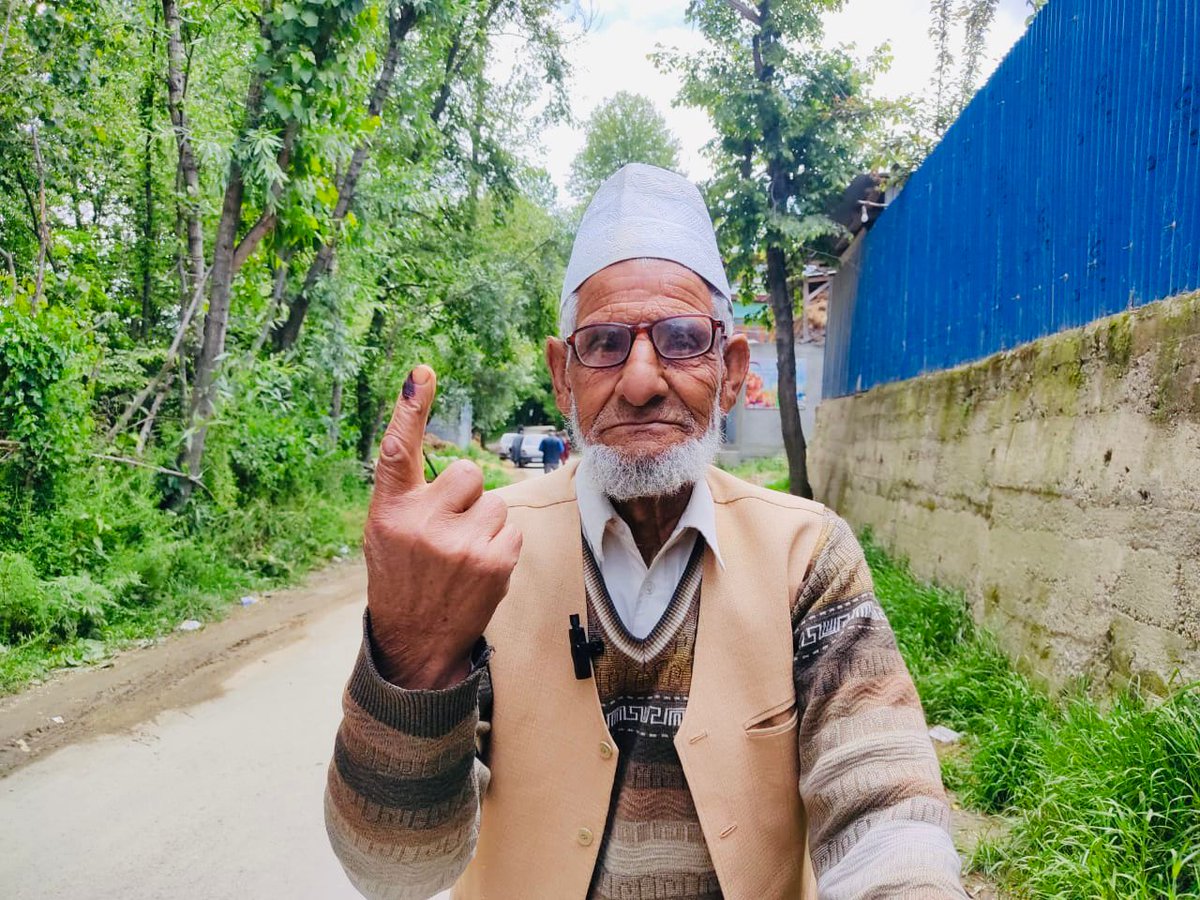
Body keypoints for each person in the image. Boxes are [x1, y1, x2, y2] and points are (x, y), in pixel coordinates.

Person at [325, 164, 966, 900]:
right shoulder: (484, 557)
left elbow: (883, 804)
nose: (639, 381)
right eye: (602, 345)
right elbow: (389, 871)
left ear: (729, 372)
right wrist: (409, 659)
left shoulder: (806, 557)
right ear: (563, 377)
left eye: (682, 338)